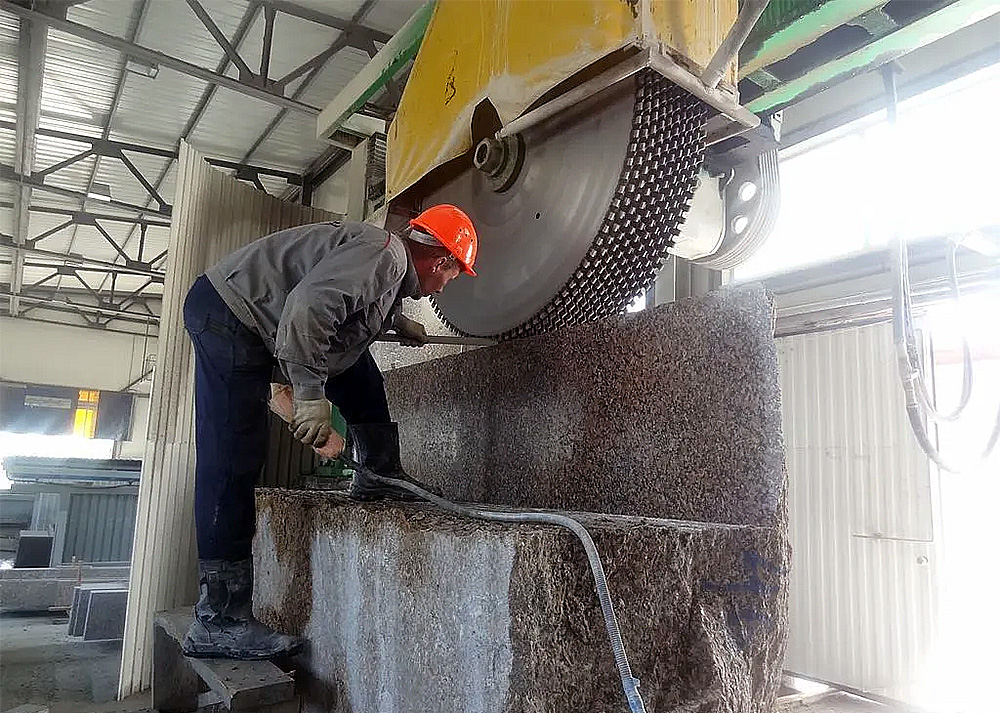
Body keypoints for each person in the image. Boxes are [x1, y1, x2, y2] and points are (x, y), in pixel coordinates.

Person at [179, 204, 478, 659]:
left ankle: (377, 474)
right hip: (230, 315)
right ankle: (218, 618)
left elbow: (349, 298)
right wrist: (309, 394)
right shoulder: (387, 255)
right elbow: (309, 307)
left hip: (252, 314)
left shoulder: (388, 264)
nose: (447, 284)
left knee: (359, 370)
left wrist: (397, 321)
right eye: (454, 274)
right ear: (440, 262)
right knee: (231, 457)